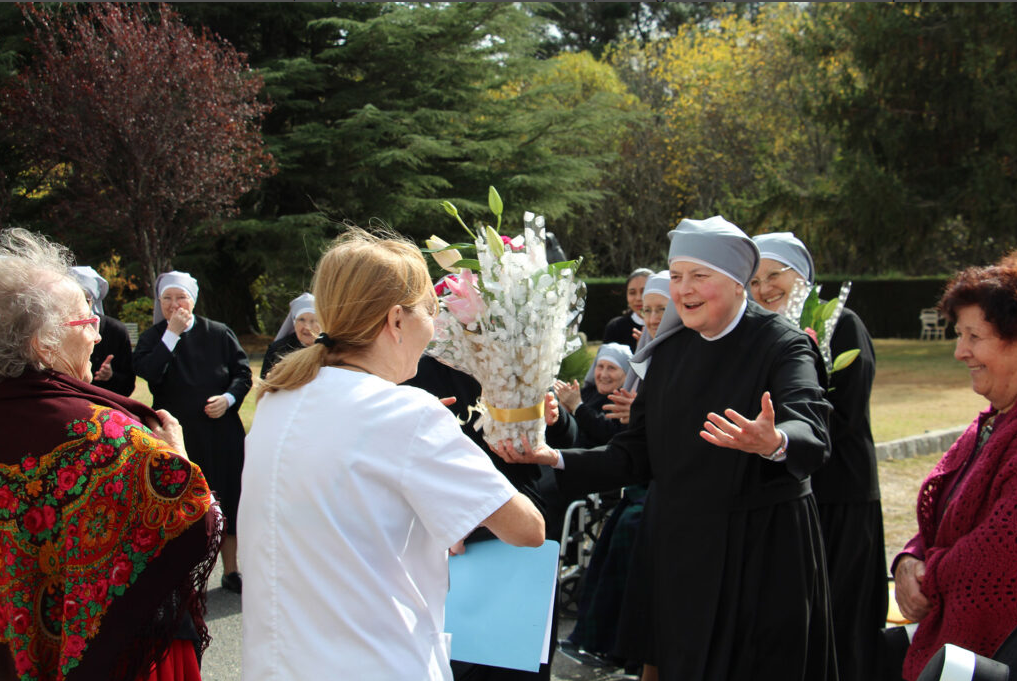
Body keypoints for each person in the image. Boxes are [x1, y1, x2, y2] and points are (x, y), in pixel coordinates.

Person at [495, 216, 836, 681]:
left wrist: (774, 441)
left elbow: (812, 433)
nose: (683, 290)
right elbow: (636, 454)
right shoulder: (670, 351)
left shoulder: (782, 344)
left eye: (700, 276)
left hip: (761, 549)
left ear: (738, 283)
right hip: (681, 547)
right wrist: (554, 456)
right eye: (676, 276)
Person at [239, 228, 545, 681]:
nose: (435, 327)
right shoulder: (405, 413)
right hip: (375, 661)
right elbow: (527, 528)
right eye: (431, 311)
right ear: (396, 320)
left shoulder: (277, 399)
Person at [0, 228, 220, 680]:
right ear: (43, 345)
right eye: (87, 323)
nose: (99, 336)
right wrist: (175, 454)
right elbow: (192, 514)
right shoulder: (104, 433)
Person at [751, 231, 887, 681]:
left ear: (803, 277)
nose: (764, 288)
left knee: (841, 616)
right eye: (752, 281)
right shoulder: (761, 337)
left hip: (841, 494)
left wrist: (789, 439)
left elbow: (843, 414)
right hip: (790, 494)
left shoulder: (841, 324)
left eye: (775, 275)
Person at [891, 251, 1017, 680]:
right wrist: (907, 561)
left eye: (974, 336)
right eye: (958, 335)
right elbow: (945, 518)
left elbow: (998, 549)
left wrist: (927, 575)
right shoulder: (989, 424)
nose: (960, 352)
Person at [133, 271, 251, 594]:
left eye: (180, 297)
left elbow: (242, 374)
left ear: (193, 300)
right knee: (182, 507)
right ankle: (184, 578)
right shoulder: (154, 337)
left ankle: (231, 570)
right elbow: (150, 373)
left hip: (221, 432)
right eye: (167, 299)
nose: (174, 304)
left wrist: (228, 400)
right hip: (177, 437)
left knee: (228, 499)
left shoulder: (219, 333)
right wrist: (171, 335)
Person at [69, 265, 136, 396]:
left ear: (92, 301)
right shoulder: (57, 328)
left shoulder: (116, 331)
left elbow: (128, 384)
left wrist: (111, 376)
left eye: (83, 298)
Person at [553, 342, 632, 448]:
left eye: (611, 368)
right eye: (600, 366)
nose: (603, 375)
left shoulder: (626, 403)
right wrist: (564, 411)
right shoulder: (586, 393)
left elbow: (611, 434)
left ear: (626, 374)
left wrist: (578, 407)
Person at [260, 292, 320, 379]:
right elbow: (264, 384)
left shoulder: (330, 349)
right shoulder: (277, 349)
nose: (307, 327)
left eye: (313, 320)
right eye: (301, 320)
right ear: (294, 322)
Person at [602, 268, 653, 352]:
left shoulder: (668, 326)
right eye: (632, 293)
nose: (638, 298)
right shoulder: (615, 328)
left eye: (644, 291)